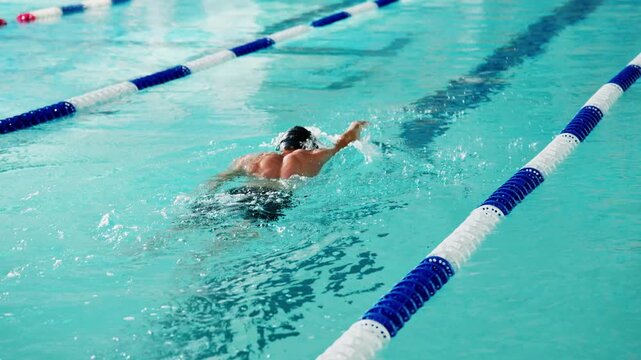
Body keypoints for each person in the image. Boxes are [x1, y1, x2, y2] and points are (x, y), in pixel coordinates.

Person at [189, 121, 369, 224]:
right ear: (308, 144)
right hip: (273, 197)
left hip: (237, 193)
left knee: (189, 223)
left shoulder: (252, 158)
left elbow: (216, 181)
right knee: (242, 232)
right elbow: (342, 143)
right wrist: (355, 126)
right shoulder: (313, 155)